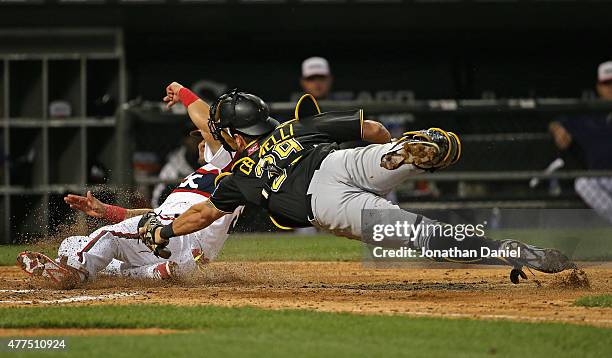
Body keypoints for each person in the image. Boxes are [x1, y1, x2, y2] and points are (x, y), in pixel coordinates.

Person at [139, 84, 575, 284]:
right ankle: (409, 154)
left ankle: (514, 253)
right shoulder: (295, 127)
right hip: (337, 160)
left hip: (322, 202)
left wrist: (162, 230)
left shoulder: (237, 179)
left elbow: (201, 214)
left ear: (233, 137)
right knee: (383, 155)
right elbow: (372, 127)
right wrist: (387, 153)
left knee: (421, 235)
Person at [17, 87, 240, 288]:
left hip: (182, 237)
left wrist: (182, 92)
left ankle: (77, 272)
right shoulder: (205, 174)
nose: (201, 142)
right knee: (71, 244)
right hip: (179, 245)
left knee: (108, 236)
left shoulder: (233, 165)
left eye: (202, 137)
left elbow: (210, 125)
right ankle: (152, 273)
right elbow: (159, 215)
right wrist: (109, 211)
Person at [549, 60, 612, 223]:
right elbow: (558, 121)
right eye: (607, 83)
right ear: (599, 87)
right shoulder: (590, 116)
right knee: (583, 183)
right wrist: (557, 128)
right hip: (601, 179)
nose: (611, 87)